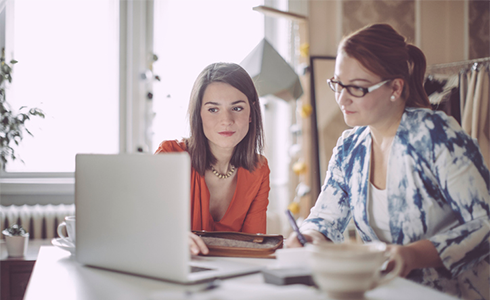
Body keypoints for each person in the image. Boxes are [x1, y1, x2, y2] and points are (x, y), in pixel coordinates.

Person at [285, 24, 489, 300]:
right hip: (387, 291)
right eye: (337, 84)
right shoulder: (349, 147)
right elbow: (324, 219)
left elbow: (484, 224)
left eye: (356, 88)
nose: (342, 98)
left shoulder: (436, 135)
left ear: (395, 87)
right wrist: (308, 236)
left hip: (455, 293)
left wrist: (414, 255)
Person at [155, 62, 270, 255]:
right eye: (213, 109)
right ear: (198, 114)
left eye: (237, 108)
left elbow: (253, 249)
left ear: (251, 113)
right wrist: (172, 237)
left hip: (230, 276)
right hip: (172, 269)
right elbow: (145, 229)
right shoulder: (170, 156)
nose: (226, 120)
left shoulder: (259, 169)